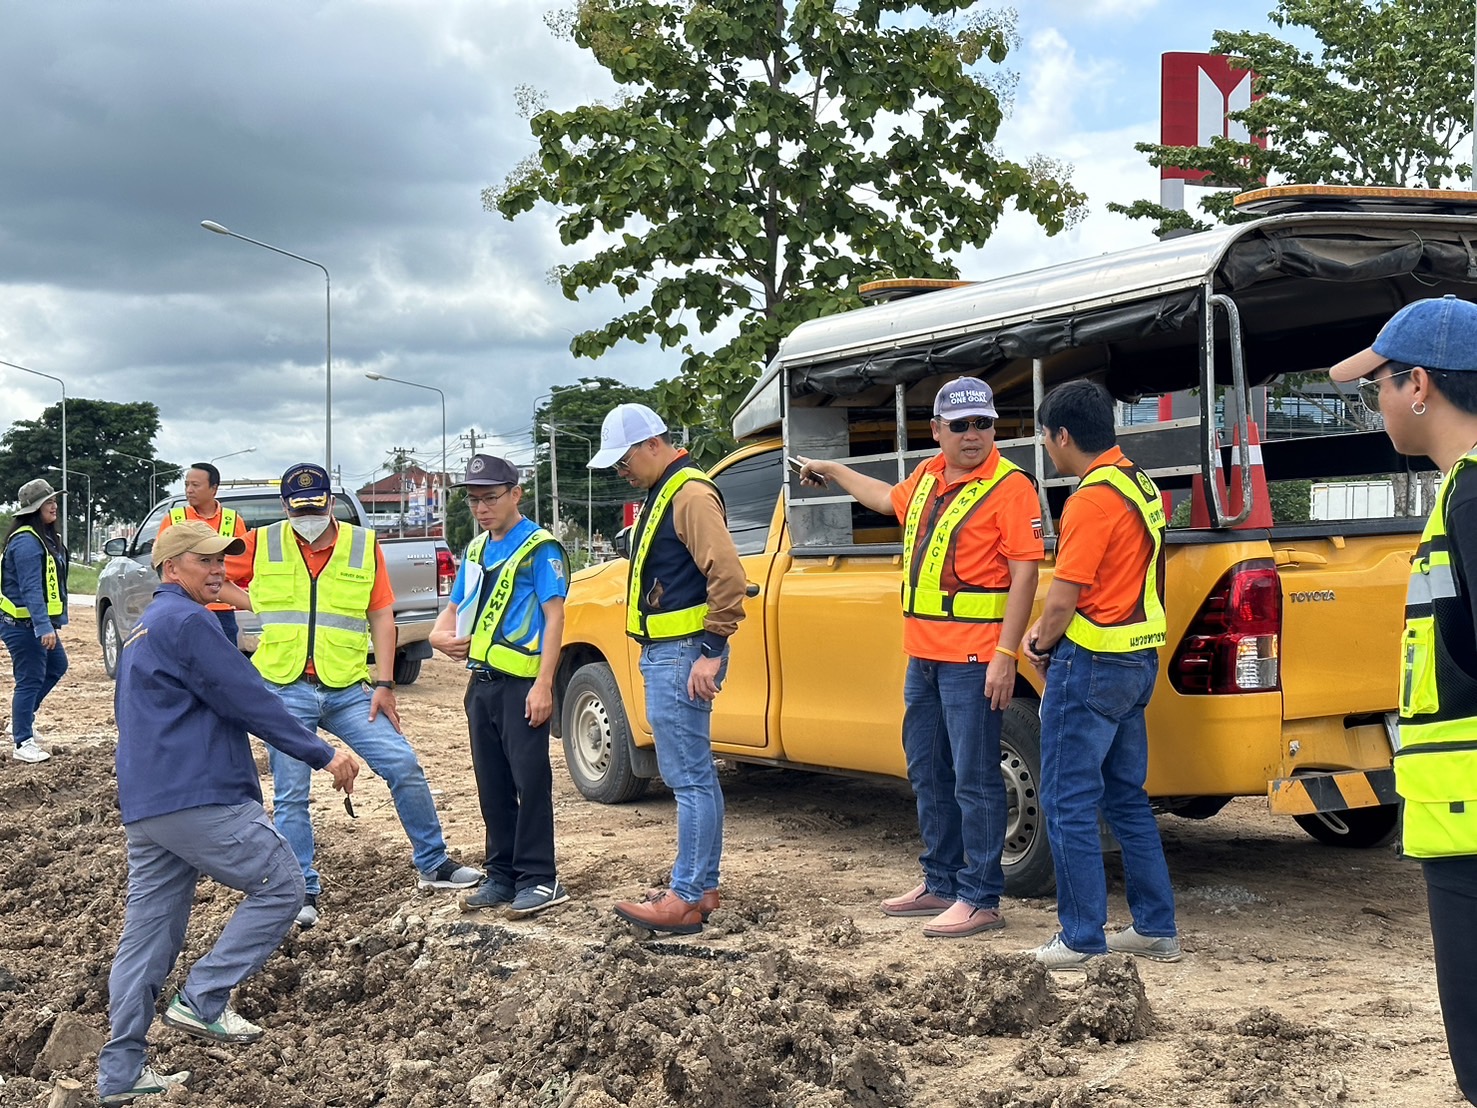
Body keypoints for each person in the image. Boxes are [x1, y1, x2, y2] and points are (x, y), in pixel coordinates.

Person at [97, 521, 358, 1107]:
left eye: (222, 560)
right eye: (206, 560)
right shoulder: (189, 622)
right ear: (171, 568)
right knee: (284, 883)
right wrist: (323, 753)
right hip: (198, 795)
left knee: (147, 938)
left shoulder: (144, 630)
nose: (219, 570)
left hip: (148, 805)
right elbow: (250, 698)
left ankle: (120, 1074)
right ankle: (204, 998)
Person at [798, 376, 1043, 938]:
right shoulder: (929, 476)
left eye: (983, 424)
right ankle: (941, 881)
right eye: (960, 425)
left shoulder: (1011, 487)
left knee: (975, 779)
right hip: (924, 657)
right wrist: (833, 469)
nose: (973, 435)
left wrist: (1006, 654)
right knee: (928, 771)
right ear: (936, 430)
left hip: (974, 659)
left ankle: (980, 897)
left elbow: (1026, 576)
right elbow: (885, 499)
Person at [1327, 295, 1477, 1104]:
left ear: (1418, 385)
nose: (1373, 404)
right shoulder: (1461, 494)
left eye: (1374, 386)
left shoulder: (1473, 498)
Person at [228, 463, 480, 930]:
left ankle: (433, 863)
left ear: (330, 503)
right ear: (285, 507)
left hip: (346, 688)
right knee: (291, 794)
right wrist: (251, 601)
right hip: (285, 687)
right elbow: (211, 573)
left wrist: (385, 683)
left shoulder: (362, 546)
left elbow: (382, 617)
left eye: (316, 508)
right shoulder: (262, 543)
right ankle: (301, 890)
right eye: (299, 510)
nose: (308, 518)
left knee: (402, 764)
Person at [1019, 380, 1180, 971]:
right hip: (1137, 660)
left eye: (1045, 435)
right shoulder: (1139, 483)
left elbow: (1065, 597)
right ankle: (1155, 928)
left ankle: (1081, 936)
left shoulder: (1089, 500)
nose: (1046, 446)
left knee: (1066, 801)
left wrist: (1037, 641)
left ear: (1062, 435)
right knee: (1126, 799)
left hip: (1091, 663)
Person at [588, 403, 746, 935]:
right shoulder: (668, 489)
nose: (620, 471)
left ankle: (686, 895)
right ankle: (699, 888)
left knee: (689, 779)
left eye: (624, 460)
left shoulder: (689, 494)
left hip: (683, 653)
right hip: (675, 652)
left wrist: (711, 649)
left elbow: (727, 575)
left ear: (652, 444)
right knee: (693, 776)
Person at [429, 455, 570, 918]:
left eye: (490, 497)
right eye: (474, 500)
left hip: (523, 684)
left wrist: (544, 685)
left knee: (530, 782)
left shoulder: (540, 548)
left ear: (516, 494)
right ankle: (502, 874)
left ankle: (540, 877)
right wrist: (437, 635)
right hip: (482, 684)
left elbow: (554, 619)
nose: (481, 508)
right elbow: (455, 608)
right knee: (492, 784)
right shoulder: (475, 549)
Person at [0, 477, 69, 763]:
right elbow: (31, 588)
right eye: (47, 502)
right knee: (29, 680)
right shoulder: (27, 542)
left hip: (34, 624)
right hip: (22, 625)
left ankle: (22, 719)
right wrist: (43, 626)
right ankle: (22, 741)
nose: (54, 506)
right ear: (34, 508)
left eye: (54, 501)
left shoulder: (44, 537)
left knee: (57, 666)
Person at [157, 461, 249, 643]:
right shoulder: (174, 518)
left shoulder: (233, 520)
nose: (189, 490)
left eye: (195, 485)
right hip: (183, 609)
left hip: (222, 611)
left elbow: (243, 564)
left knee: (224, 659)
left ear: (214, 489)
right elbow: (160, 563)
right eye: (186, 485)